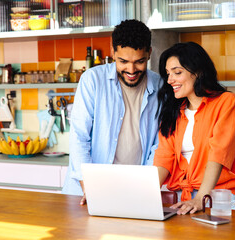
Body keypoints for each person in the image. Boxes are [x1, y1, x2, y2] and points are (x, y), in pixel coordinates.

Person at [62, 19, 162, 205]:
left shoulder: (160, 85)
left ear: (149, 53)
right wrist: (89, 187)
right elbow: (79, 137)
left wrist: (144, 185)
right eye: (123, 61)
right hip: (86, 191)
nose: (131, 70)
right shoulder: (92, 80)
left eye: (139, 62)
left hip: (134, 189)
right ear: (113, 51)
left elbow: (158, 144)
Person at [154, 42, 235, 215]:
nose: (170, 80)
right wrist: (145, 194)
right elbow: (164, 158)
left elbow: (218, 154)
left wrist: (201, 198)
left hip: (220, 198)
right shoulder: (173, 112)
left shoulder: (226, 102)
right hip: (182, 200)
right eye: (168, 74)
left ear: (198, 72)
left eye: (177, 72)